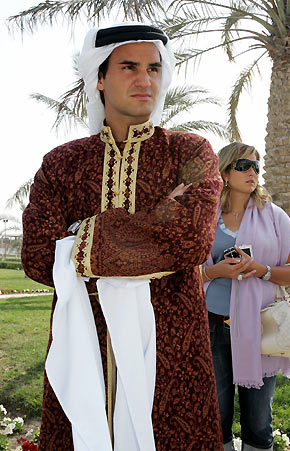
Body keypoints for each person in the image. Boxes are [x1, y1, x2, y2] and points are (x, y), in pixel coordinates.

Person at [21, 24, 224, 450]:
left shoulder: (190, 152)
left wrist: (77, 236)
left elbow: (190, 238)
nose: (144, 79)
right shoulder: (63, 163)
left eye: (153, 68)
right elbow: (38, 254)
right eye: (128, 67)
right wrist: (158, 219)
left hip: (172, 346)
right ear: (99, 77)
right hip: (85, 343)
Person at [202, 142, 290, 451]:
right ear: (226, 171)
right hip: (212, 326)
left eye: (256, 166)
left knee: (258, 421)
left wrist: (263, 270)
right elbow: (184, 272)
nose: (252, 172)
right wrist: (216, 271)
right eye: (244, 166)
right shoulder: (205, 217)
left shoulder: (275, 217)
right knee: (215, 415)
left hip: (261, 326)